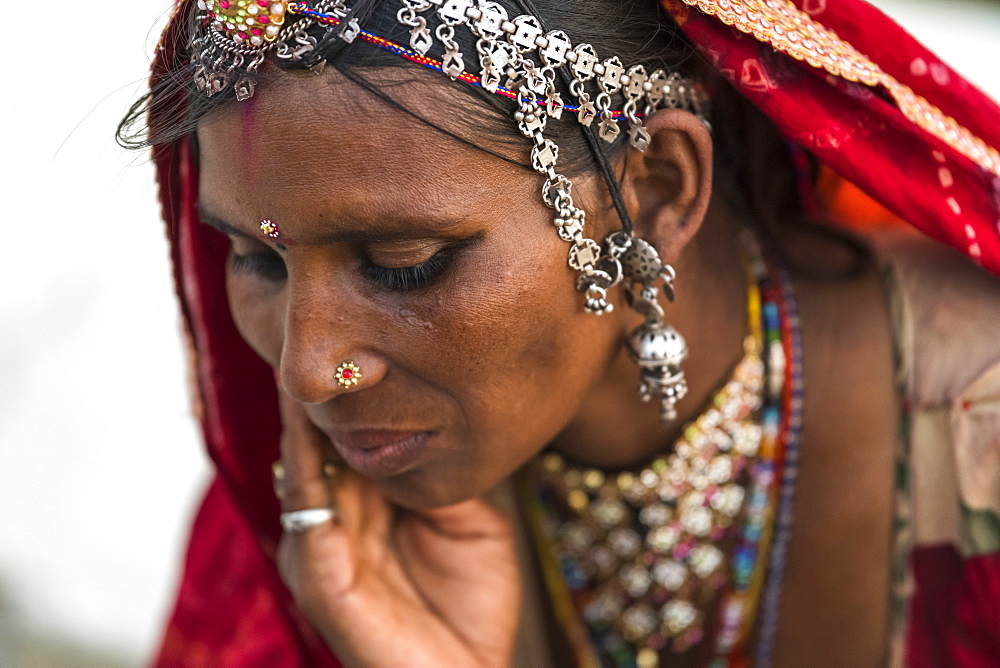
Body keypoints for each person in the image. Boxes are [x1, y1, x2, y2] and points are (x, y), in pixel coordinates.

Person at [118, 0, 1000, 665]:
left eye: (404, 261)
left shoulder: (978, 429)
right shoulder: (322, 538)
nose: (310, 373)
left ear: (655, 192)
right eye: (258, 262)